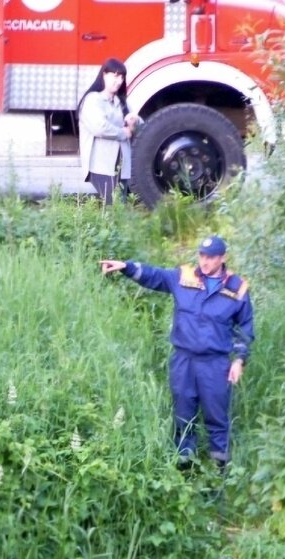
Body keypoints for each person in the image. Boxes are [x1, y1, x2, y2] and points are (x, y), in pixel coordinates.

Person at [101, 236, 254, 468]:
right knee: (183, 415)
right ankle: (184, 468)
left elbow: (245, 327)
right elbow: (155, 276)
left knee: (217, 418)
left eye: (211, 257)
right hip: (183, 360)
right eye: (202, 255)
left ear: (223, 258)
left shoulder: (237, 288)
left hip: (215, 364)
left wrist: (239, 361)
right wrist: (126, 267)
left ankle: (220, 474)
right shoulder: (184, 276)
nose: (204, 261)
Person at [78, 58, 141, 205]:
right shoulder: (92, 100)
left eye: (122, 77)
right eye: (115, 75)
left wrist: (135, 122)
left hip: (122, 166)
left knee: (119, 207)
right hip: (100, 166)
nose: (119, 81)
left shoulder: (122, 102)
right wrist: (123, 132)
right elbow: (99, 127)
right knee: (114, 206)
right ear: (104, 75)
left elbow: (138, 125)